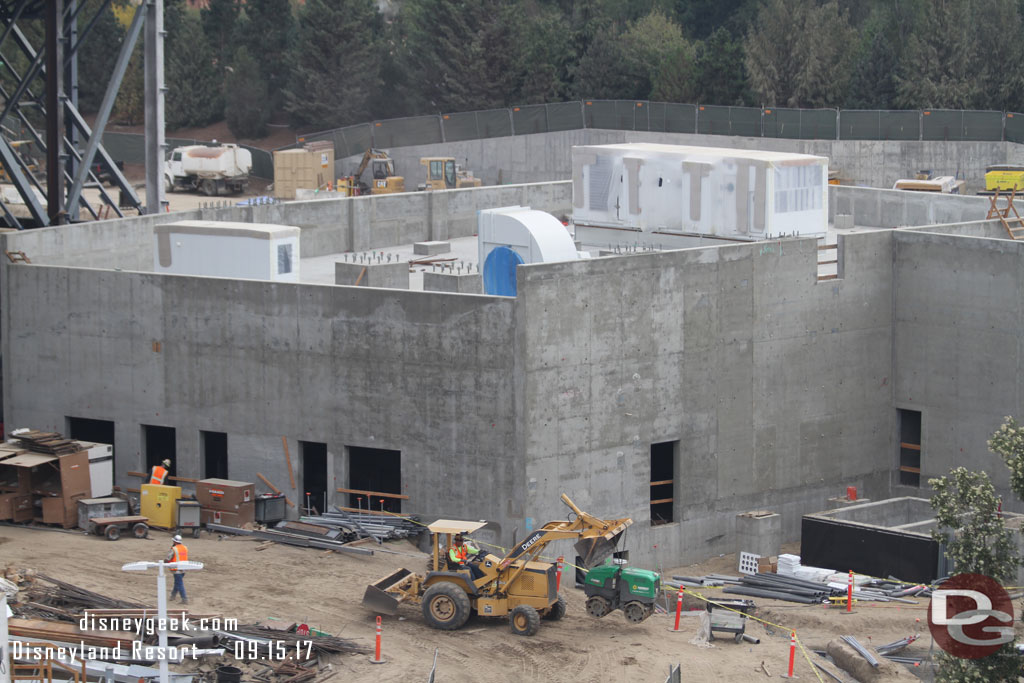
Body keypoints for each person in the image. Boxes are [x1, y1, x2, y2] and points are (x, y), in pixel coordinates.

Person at [166, 534, 189, 604]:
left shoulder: (174, 549)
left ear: (175, 541)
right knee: (177, 583)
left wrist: (164, 563)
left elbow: (168, 558)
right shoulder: (185, 548)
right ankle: (173, 595)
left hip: (176, 569)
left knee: (179, 584)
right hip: (184, 569)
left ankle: (184, 599)